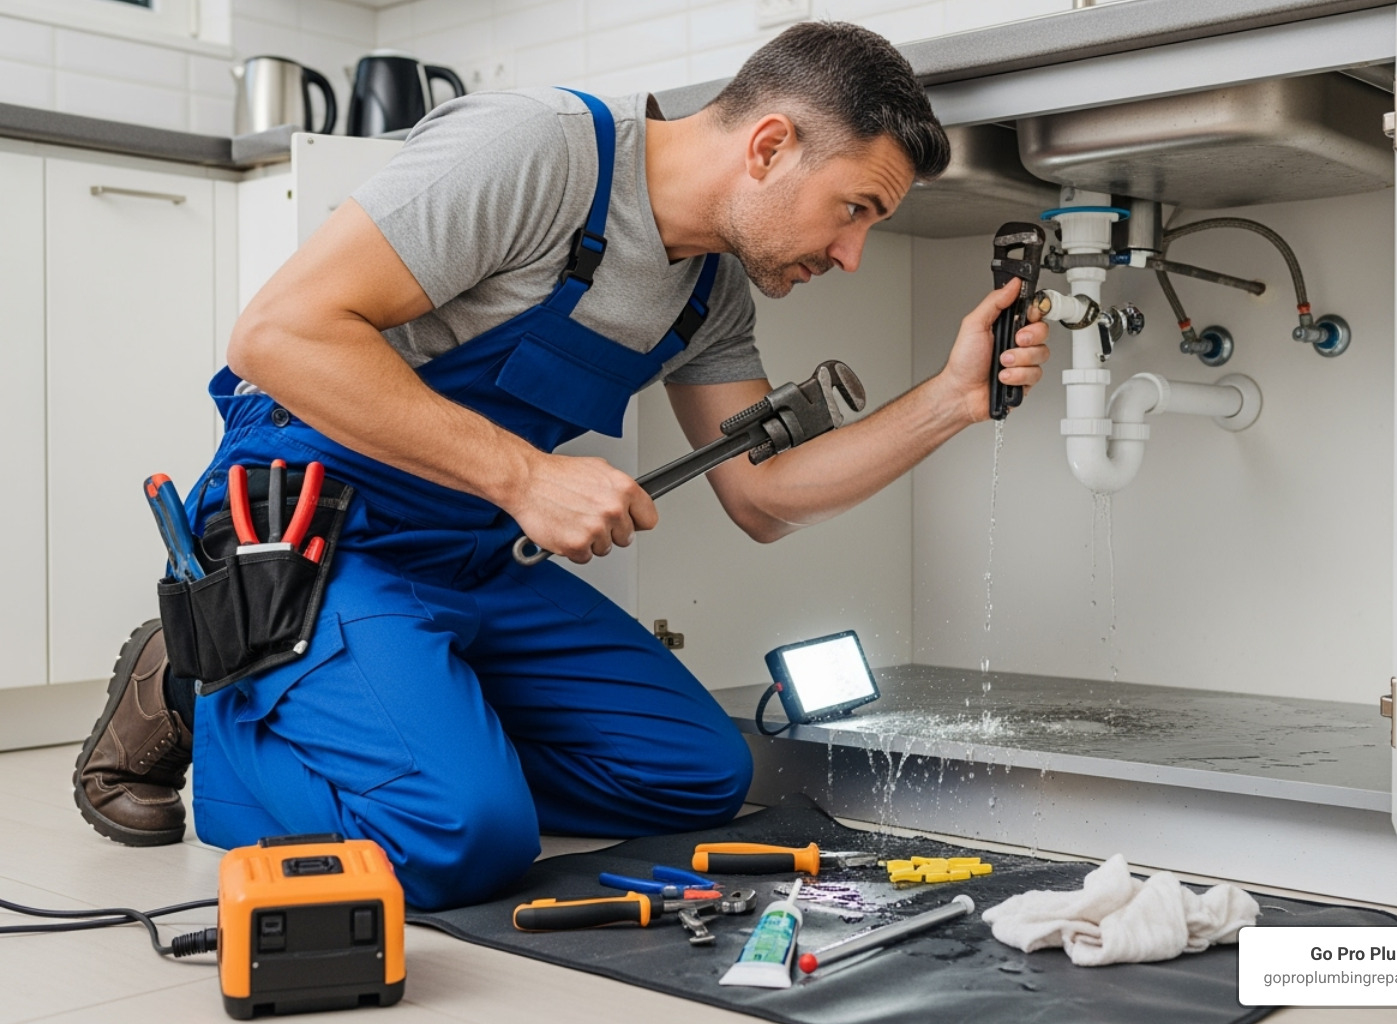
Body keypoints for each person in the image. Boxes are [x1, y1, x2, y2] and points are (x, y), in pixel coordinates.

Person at [72, 21, 1050, 911]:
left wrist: (951, 401)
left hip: (467, 555)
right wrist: (525, 478)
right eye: (854, 209)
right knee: (465, 839)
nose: (851, 253)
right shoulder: (538, 152)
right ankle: (214, 698)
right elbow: (278, 335)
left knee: (698, 770)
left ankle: (413, 726)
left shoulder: (710, 294)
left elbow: (762, 496)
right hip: (314, 540)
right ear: (769, 146)